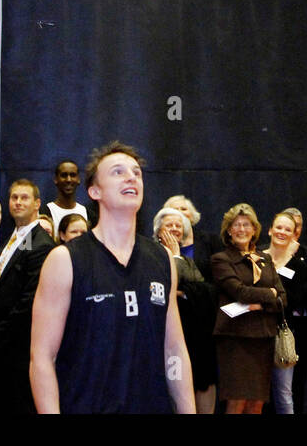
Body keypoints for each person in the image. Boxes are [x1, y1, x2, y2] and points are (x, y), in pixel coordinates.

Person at [30, 142, 195, 413]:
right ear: (95, 191)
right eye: (118, 172)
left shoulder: (162, 259)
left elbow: (174, 352)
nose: (131, 176)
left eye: (136, 173)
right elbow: (42, 358)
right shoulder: (65, 260)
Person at [0, 178, 54, 414]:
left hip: (15, 351)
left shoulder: (41, 244)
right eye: (14, 197)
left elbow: (28, 302)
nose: (18, 202)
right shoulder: (15, 238)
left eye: (24, 197)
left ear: (37, 203)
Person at [210, 203, 285, 414]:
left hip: (263, 338)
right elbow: (240, 293)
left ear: (254, 230)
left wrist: (262, 303)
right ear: (229, 231)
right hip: (235, 339)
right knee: (237, 401)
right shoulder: (220, 259)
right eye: (236, 225)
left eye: (246, 225)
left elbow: (283, 299)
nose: (242, 229)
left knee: (257, 403)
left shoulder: (265, 259)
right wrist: (269, 294)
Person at [154, 206, 218, 412]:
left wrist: (184, 292)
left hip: (192, 331)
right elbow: (167, 285)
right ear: (157, 231)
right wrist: (174, 258)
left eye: (178, 225)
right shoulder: (149, 255)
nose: (174, 229)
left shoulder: (187, 259)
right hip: (162, 334)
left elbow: (203, 289)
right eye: (169, 225)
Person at [264, 209, 307, 413]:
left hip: (284, 334)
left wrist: (266, 298)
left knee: (285, 393)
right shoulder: (257, 256)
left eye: (288, 229)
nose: (282, 232)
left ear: (295, 234)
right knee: (258, 392)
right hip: (255, 332)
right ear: (269, 230)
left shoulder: (299, 264)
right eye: (278, 227)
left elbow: (294, 299)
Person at [42, 159, 95, 232]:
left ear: (78, 179)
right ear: (56, 180)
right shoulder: (44, 212)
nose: (68, 180)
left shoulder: (89, 214)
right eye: (64, 175)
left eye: (72, 175)